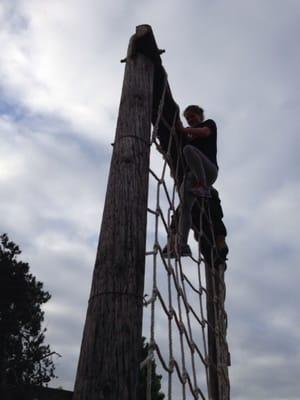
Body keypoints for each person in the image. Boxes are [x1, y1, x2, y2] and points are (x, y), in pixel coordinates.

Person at [165, 105, 226, 258]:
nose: (190, 120)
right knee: (185, 208)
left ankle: (203, 186)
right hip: (192, 177)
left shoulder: (209, 124)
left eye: (193, 116)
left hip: (209, 170)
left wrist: (183, 129)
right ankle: (182, 245)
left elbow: (205, 132)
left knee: (188, 151)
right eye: (188, 118)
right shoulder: (189, 138)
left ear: (200, 115)